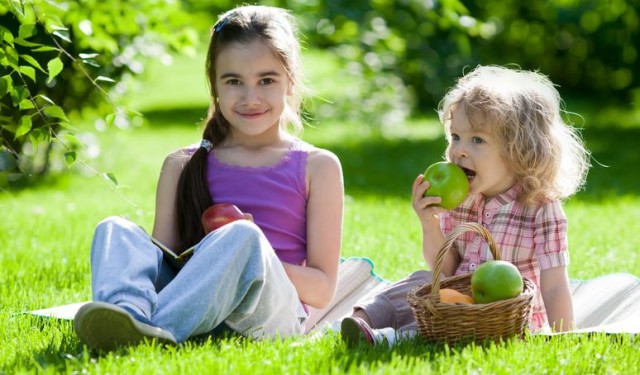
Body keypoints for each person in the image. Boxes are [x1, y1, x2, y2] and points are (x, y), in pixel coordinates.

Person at [73, 5, 344, 351]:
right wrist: (210, 257)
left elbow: (322, 289)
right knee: (115, 229)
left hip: (270, 316)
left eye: (266, 80)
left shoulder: (317, 166)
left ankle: (151, 330)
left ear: (290, 81)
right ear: (214, 85)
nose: (250, 97)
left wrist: (246, 257)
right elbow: (164, 264)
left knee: (242, 238)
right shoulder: (182, 164)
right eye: (233, 81)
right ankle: (127, 316)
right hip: (195, 311)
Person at [340, 65, 590, 346]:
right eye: (456, 136)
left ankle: (389, 340)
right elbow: (445, 271)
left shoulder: (541, 207)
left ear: (519, 150)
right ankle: (359, 320)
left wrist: (564, 340)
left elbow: (555, 284)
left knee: (439, 324)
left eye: (477, 140)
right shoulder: (460, 199)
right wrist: (429, 223)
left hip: (505, 318)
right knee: (421, 282)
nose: (458, 149)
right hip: (456, 305)